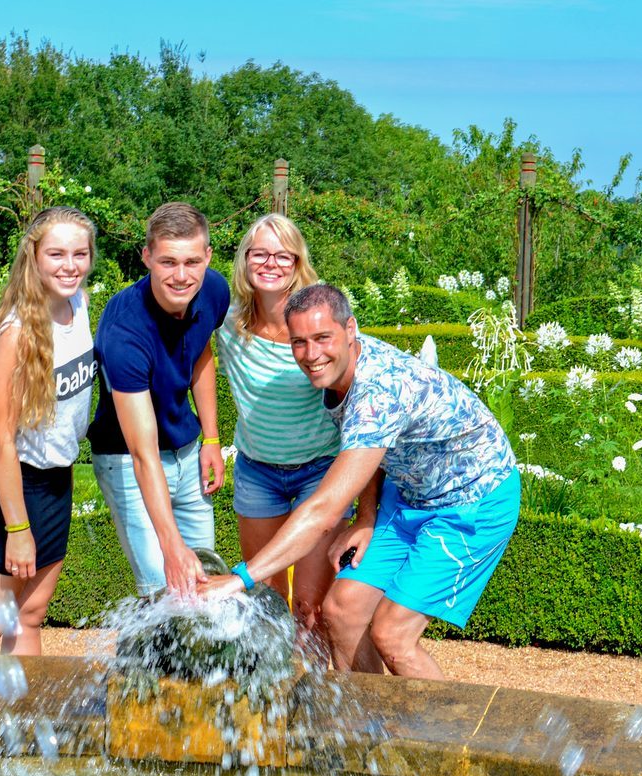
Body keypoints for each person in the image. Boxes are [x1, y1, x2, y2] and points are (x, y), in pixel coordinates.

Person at [203, 283, 522, 679]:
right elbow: (372, 453)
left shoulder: (376, 392)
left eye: (322, 338)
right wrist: (367, 516)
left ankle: (452, 739)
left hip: (473, 501)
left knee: (393, 635)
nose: (311, 354)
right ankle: (374, 732)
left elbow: (323, 511)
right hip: (409, 495)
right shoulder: (343, 369)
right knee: (341, 611)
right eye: (299, 342)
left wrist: (240, 578)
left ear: (350, 328)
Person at [0, 207, 98, 655]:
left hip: (56, 481)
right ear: (32, 256)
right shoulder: (17, 331)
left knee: (29, 616)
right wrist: (17, 527)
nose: (69, 265)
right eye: (56, 254)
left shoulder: (79, 305)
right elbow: (1, 440)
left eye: (80, 253)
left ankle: (23, 724)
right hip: (12, 488)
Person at [213, 214, 347, 651]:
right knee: (265, 599)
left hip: (318, 471)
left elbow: (352, 377)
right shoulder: (227, 318)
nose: (271, 263)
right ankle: (272, 697)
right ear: (245, 259)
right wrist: (210, 440)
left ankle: (311, 700)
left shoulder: (316, 316)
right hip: (258, 473)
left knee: (310, 605)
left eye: (282, 255)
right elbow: (193, 358)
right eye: (260, 254)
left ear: (297, 261)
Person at [88, 202, 229, 596]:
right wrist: (170, 546)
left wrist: (212, 440)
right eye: (168, 262)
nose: (181, 276)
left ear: (207, 257)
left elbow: (201, 352)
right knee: (166, 590)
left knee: (204, 581)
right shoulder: (124, 334)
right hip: (131, 462)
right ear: (147, 256)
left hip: (187, 453)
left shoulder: (214, 289)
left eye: (191, 262)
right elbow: (142, 453)